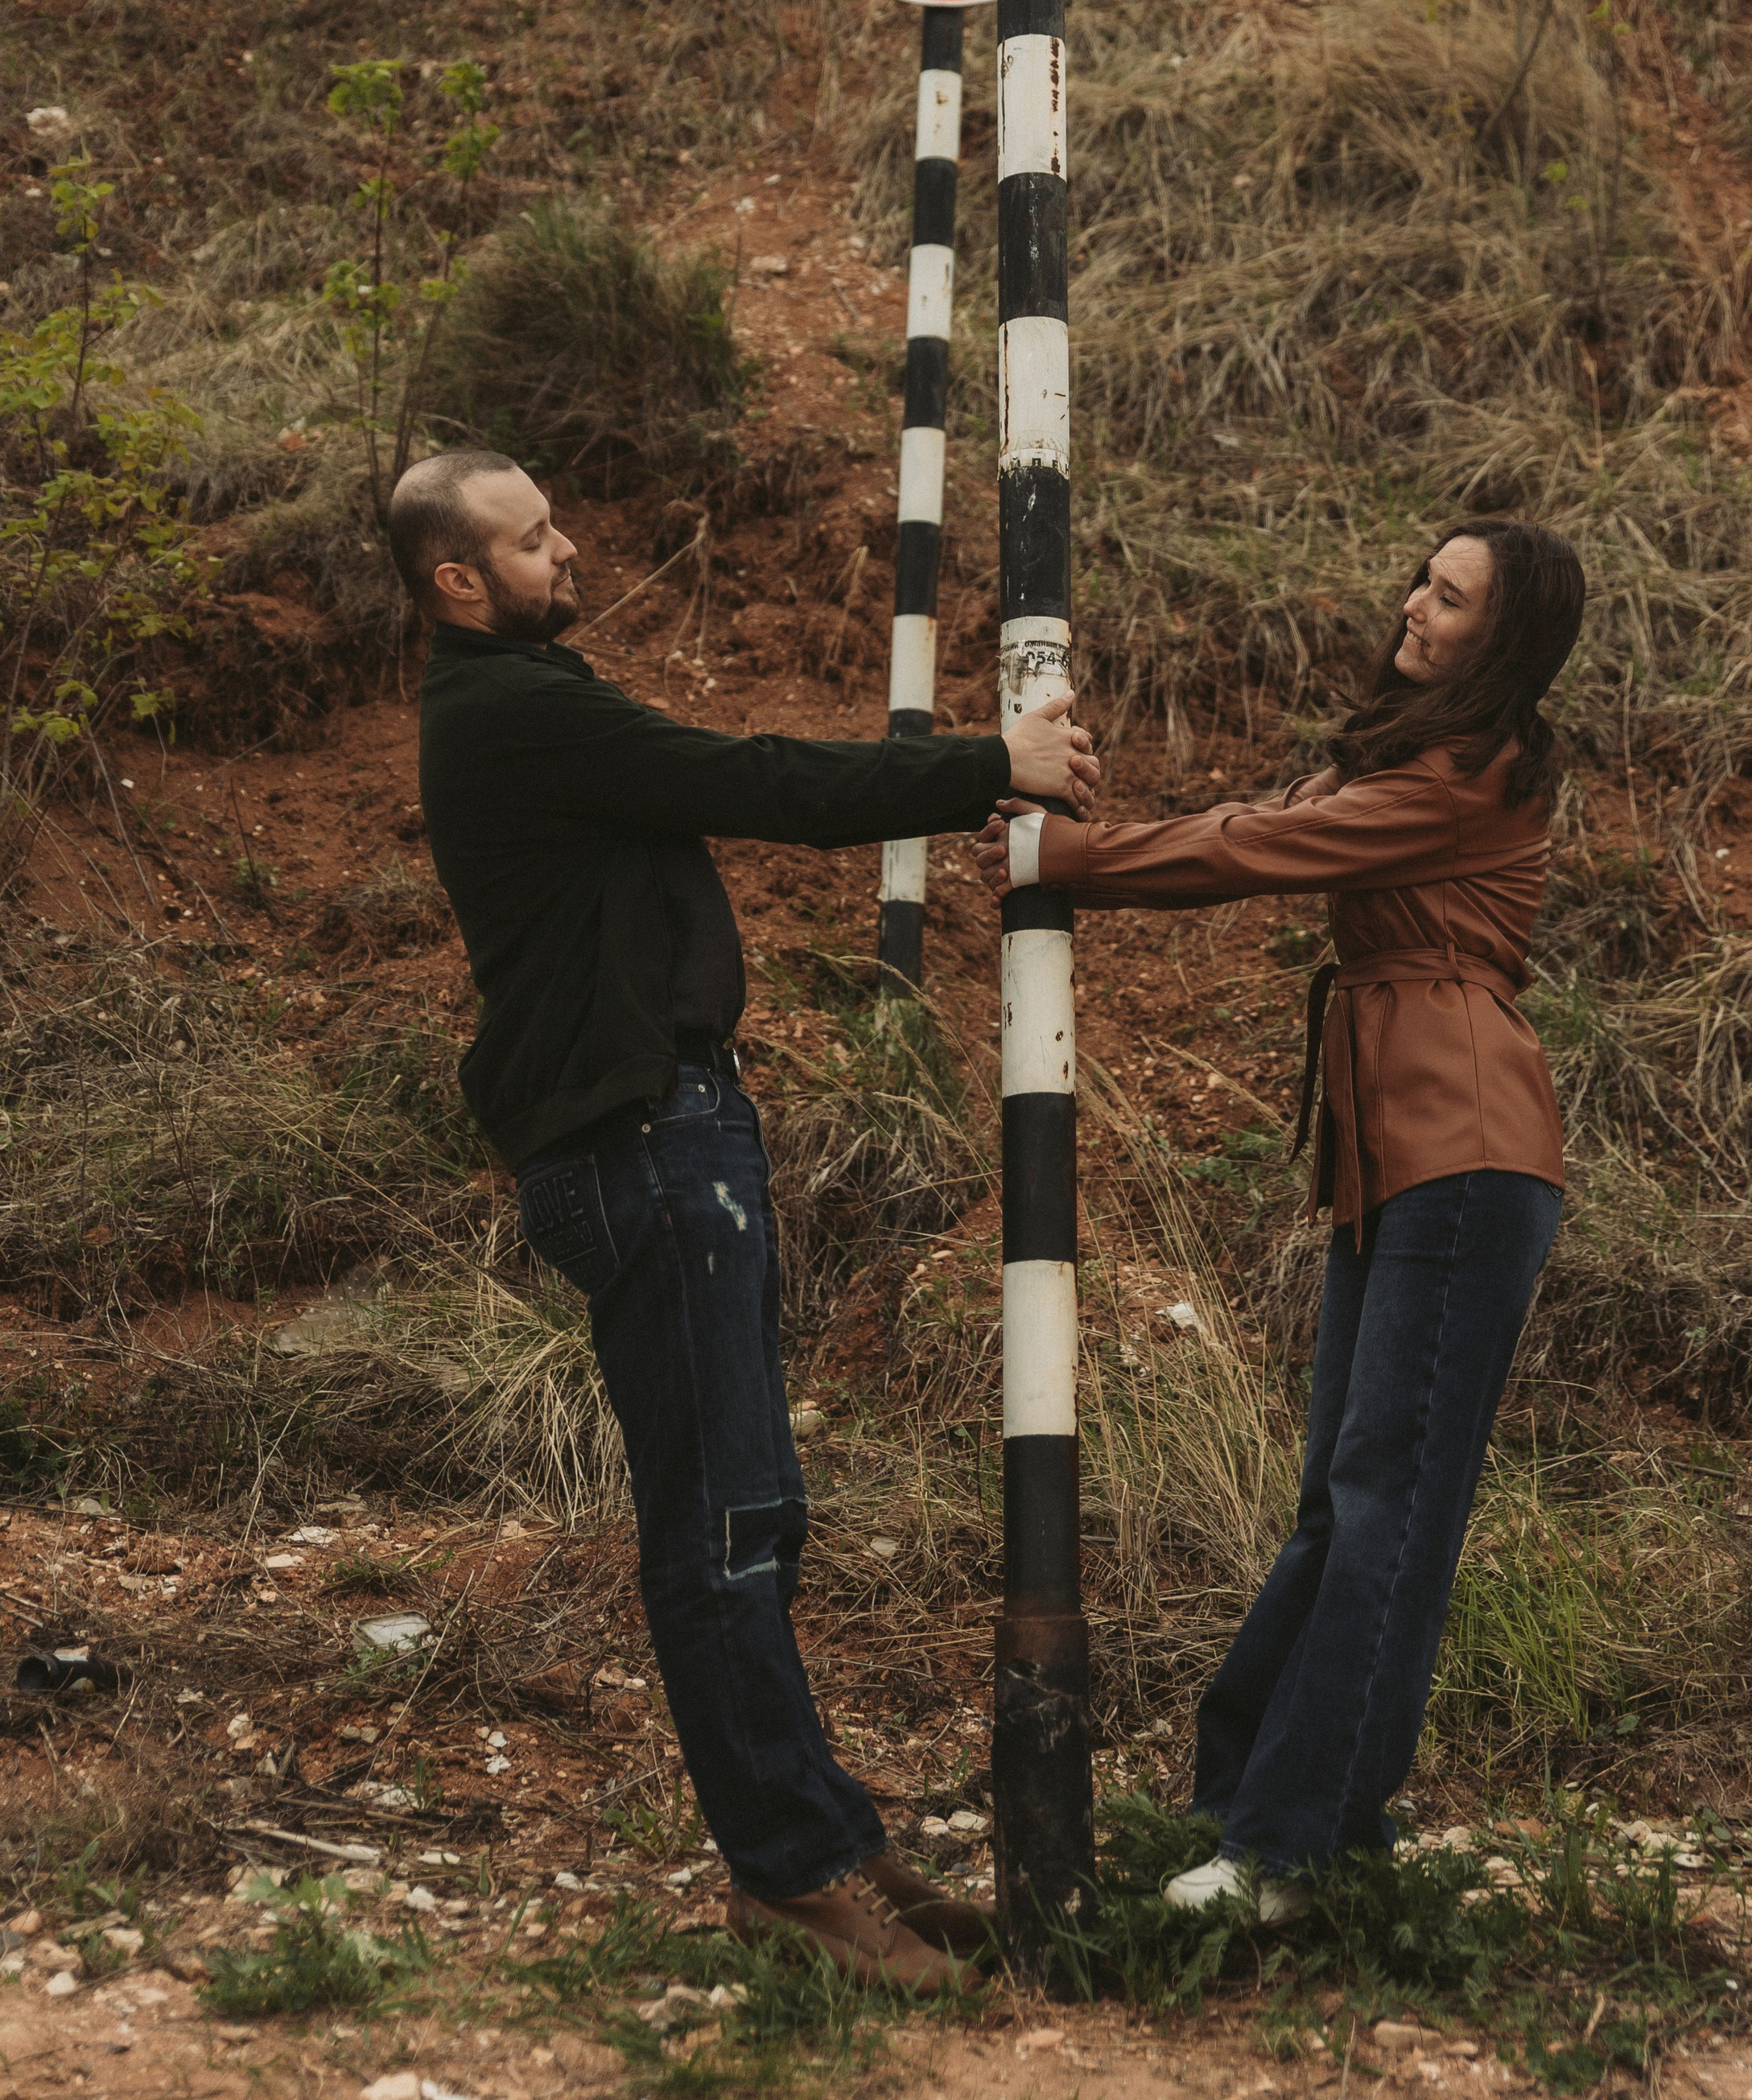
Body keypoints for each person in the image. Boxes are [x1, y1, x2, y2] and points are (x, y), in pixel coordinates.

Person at [387, 447, 1100, 1991]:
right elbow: (759, 779)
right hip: (643, 1142)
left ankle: (824, 1843)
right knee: (719, 1529)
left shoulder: (526, 700)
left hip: (674, 1131)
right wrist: (993, 761)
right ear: (458, 580)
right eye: (533, 539)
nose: (568, 550)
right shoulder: (513, 710)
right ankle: (791, 1879)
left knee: (753, 1514)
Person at [974, 517, 1585, 1918]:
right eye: (1422, 578)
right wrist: (1066, 804)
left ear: (1504, 639)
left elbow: (1264, 846)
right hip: (1406, 1154)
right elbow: (1271, 816)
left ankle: (1290, 1851)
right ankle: (1255, 1807)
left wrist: (1071, 859)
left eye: (1452, 598)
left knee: (1382, 1511)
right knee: (1346, 1504)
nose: (1415, 604)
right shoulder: (1421, 754)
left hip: (1465, 1154)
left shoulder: (1472, 778)